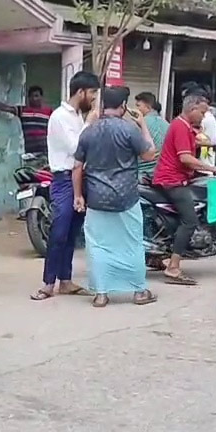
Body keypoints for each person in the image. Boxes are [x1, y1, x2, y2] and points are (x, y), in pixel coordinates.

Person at [71, 86, 159, 307]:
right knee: (132, 243)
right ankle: (139, 291)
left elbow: (77, 167)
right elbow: (150, 153)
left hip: (97, 198)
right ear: (123, 106)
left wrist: (78, 195)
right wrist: (143, 124)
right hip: (126, 197)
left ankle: (101, 294)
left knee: (98, 245)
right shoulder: (128, 130)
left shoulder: (89, 131)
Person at [32, 71, 100, 301]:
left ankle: (66, 280)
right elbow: (75, 147)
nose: (93, 98)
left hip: (79, 177)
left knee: (72, 232)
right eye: (92, 93)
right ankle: (48, 283)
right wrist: (90, 123)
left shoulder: (77, 116)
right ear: (80, 92)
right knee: (59, 231)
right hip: (63, 179)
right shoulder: (60, 116)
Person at [150, 92, 216, 286]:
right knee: (190, 221)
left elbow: (195, 144)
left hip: (178, 178)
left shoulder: (184, 126)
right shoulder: (180, 127)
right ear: (192, 109)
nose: (203, 116)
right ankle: (173, 267)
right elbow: (185, 158)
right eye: (202, 112)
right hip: (172, 180)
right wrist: (212, 169)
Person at [0, 85, 53, 156]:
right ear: (28, 98)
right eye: (31, 96)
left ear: (41, 97)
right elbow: (6, 108)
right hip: (29, 149)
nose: (34, 99)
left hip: (44, 150)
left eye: (36, 96)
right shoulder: (23, 110)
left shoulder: (49, 112)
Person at [134, 92, 169, 175]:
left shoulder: (142, 123)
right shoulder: (167, 124)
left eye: (138, 106)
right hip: (162, 171)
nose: (136, 109)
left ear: (148, 107)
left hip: (142, 171)